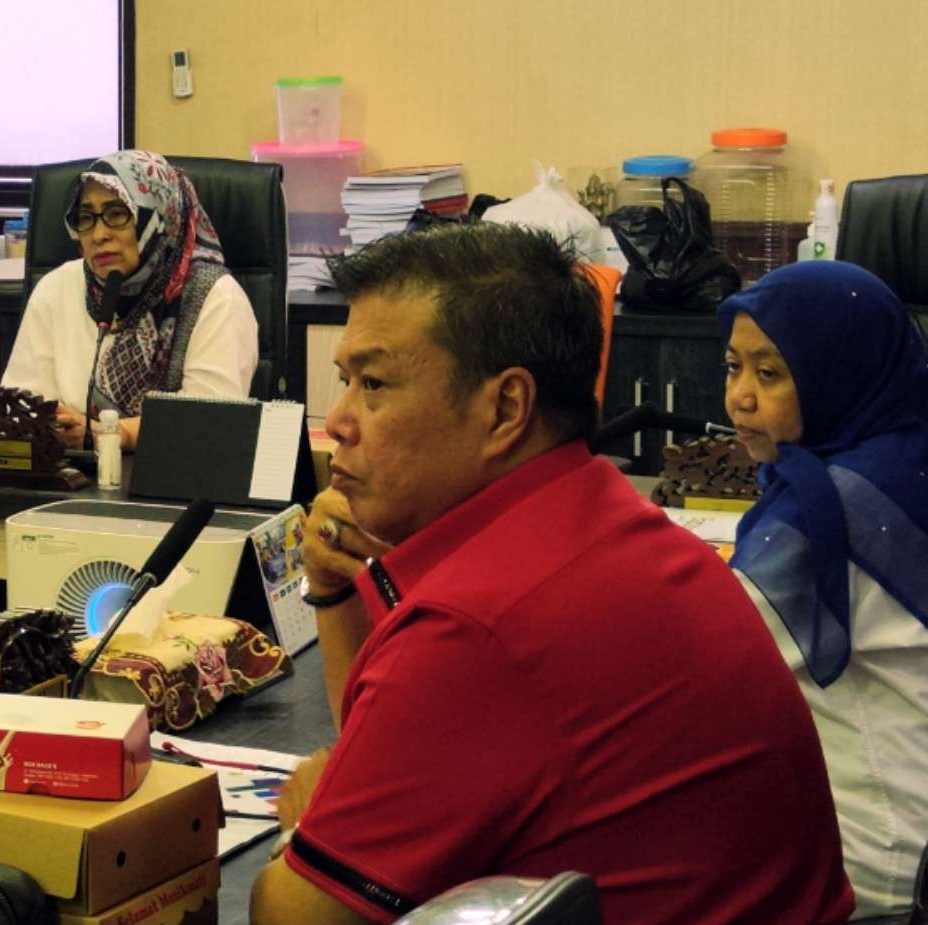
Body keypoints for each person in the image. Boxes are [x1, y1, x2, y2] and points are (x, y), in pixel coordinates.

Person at [250, 224, 853, 924]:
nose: (342, 422)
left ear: (506, 408)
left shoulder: (481, 627)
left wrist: (309, 822)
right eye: (344, 380)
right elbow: (390, 757)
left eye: (375, 384)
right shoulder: (602, 521)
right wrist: (333, 592)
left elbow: (300, 915)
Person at [720, 261, 928, 924]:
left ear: (840, 370)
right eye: (733, 366)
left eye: (770, 373)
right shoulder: (905, 457)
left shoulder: (822, 514)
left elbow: (704, 662)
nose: (740, 398)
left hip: (873, 857)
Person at [0, 150, 258, 449]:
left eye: (117, 214)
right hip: (68, 474)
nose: (98, 235)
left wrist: (109, 434)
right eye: (85, 218)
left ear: (160, 217)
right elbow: (19, 404)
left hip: (176, 481)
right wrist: (47, 424)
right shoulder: (57, 287)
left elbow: (212, 421)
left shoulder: (215, 297)